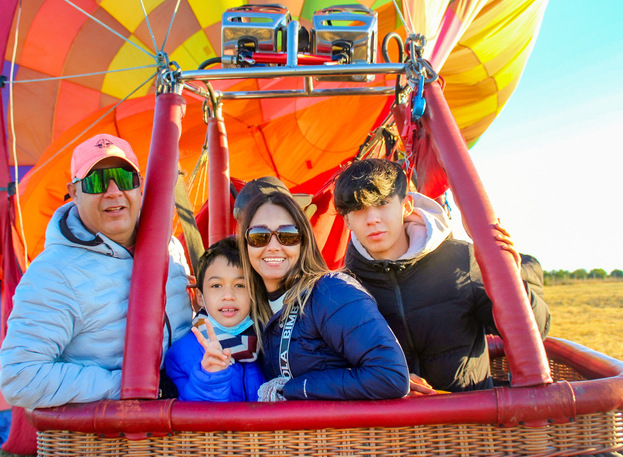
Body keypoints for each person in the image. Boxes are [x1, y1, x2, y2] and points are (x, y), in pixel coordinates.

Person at [0, 134, 193, 409]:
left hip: (182, 418)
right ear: (74, 192)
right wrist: (131, 387)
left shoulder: (170, 246)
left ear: (140, 186)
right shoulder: (53, 273)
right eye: (96, 181)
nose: (113, 192)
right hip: (112, 436)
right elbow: (20, 378)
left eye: (125, 178)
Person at [334, 158, 551, 393]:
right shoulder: (343, 288)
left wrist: (509, 278)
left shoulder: (462, 260)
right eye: (359, 209)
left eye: (383, 203)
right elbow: (332, 365)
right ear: (347, 220)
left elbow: (537, 330)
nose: (372, 219)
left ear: (406, 206)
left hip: (472, 419)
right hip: (396, 426)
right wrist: (387, 380)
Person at [236, 188, 410, 402]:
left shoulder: (330, 292)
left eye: (287, 235)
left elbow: (390, 376)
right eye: (259, 236)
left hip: (346, 435)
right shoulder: (251, 310)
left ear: (303, 241)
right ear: (245, 245)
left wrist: (291, 389)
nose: (273, 246)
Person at [165, 237, 264, 401]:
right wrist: (210, 377)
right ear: (200, 297)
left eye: (240, 285)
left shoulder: (268, 341)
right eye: (216, 286)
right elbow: (192, 419)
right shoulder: (180, 354)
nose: (228, 296)